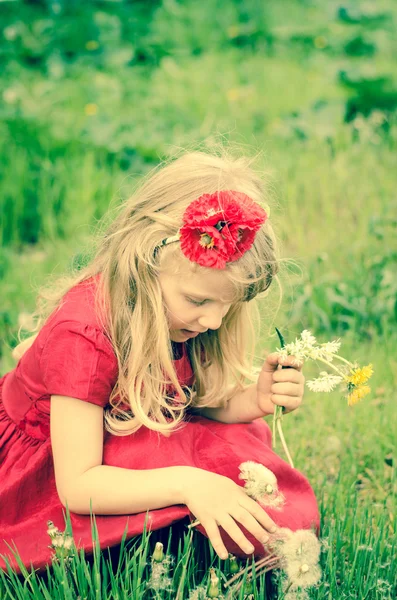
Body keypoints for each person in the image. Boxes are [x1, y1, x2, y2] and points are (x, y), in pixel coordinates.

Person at [0, 150, 319, 574]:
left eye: (228, 306)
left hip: (133, 429)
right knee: (192, 474)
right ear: (145, 262)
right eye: (199, 301)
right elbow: (78, 485)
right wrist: (190, 482)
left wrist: (254, 399)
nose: (213, 320)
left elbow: (192, 402)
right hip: (60, 469)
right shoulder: (85, 336)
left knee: (229, 459)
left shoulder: (180, 318)